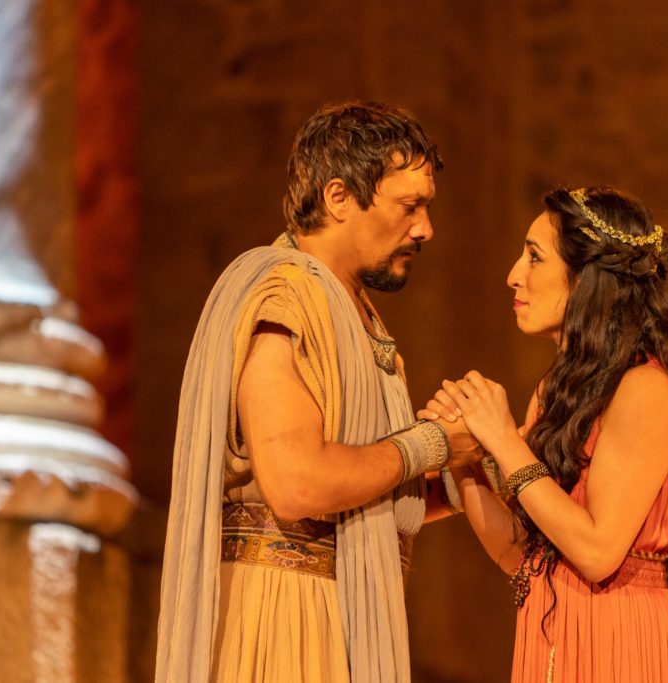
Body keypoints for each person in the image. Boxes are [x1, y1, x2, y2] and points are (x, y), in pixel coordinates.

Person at [155, 101, 481, 683]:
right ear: (339, 197)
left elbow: (360, 492)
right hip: (282, 625)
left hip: (334, 616)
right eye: (410, 206)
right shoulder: (286, 297)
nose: (425, 228)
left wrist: (466, 469)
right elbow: (297, 484)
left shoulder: (356, 314)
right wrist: (431, 443)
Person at [422, 186, 668, 682]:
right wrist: (467, 458)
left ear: (586, 279)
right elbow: (521, 556)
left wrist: (503, 439)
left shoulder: (645, 390)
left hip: (623, 645)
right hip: (554, 638)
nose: (513, 275)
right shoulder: (555, 394)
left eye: (534, 257)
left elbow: (596, 551)